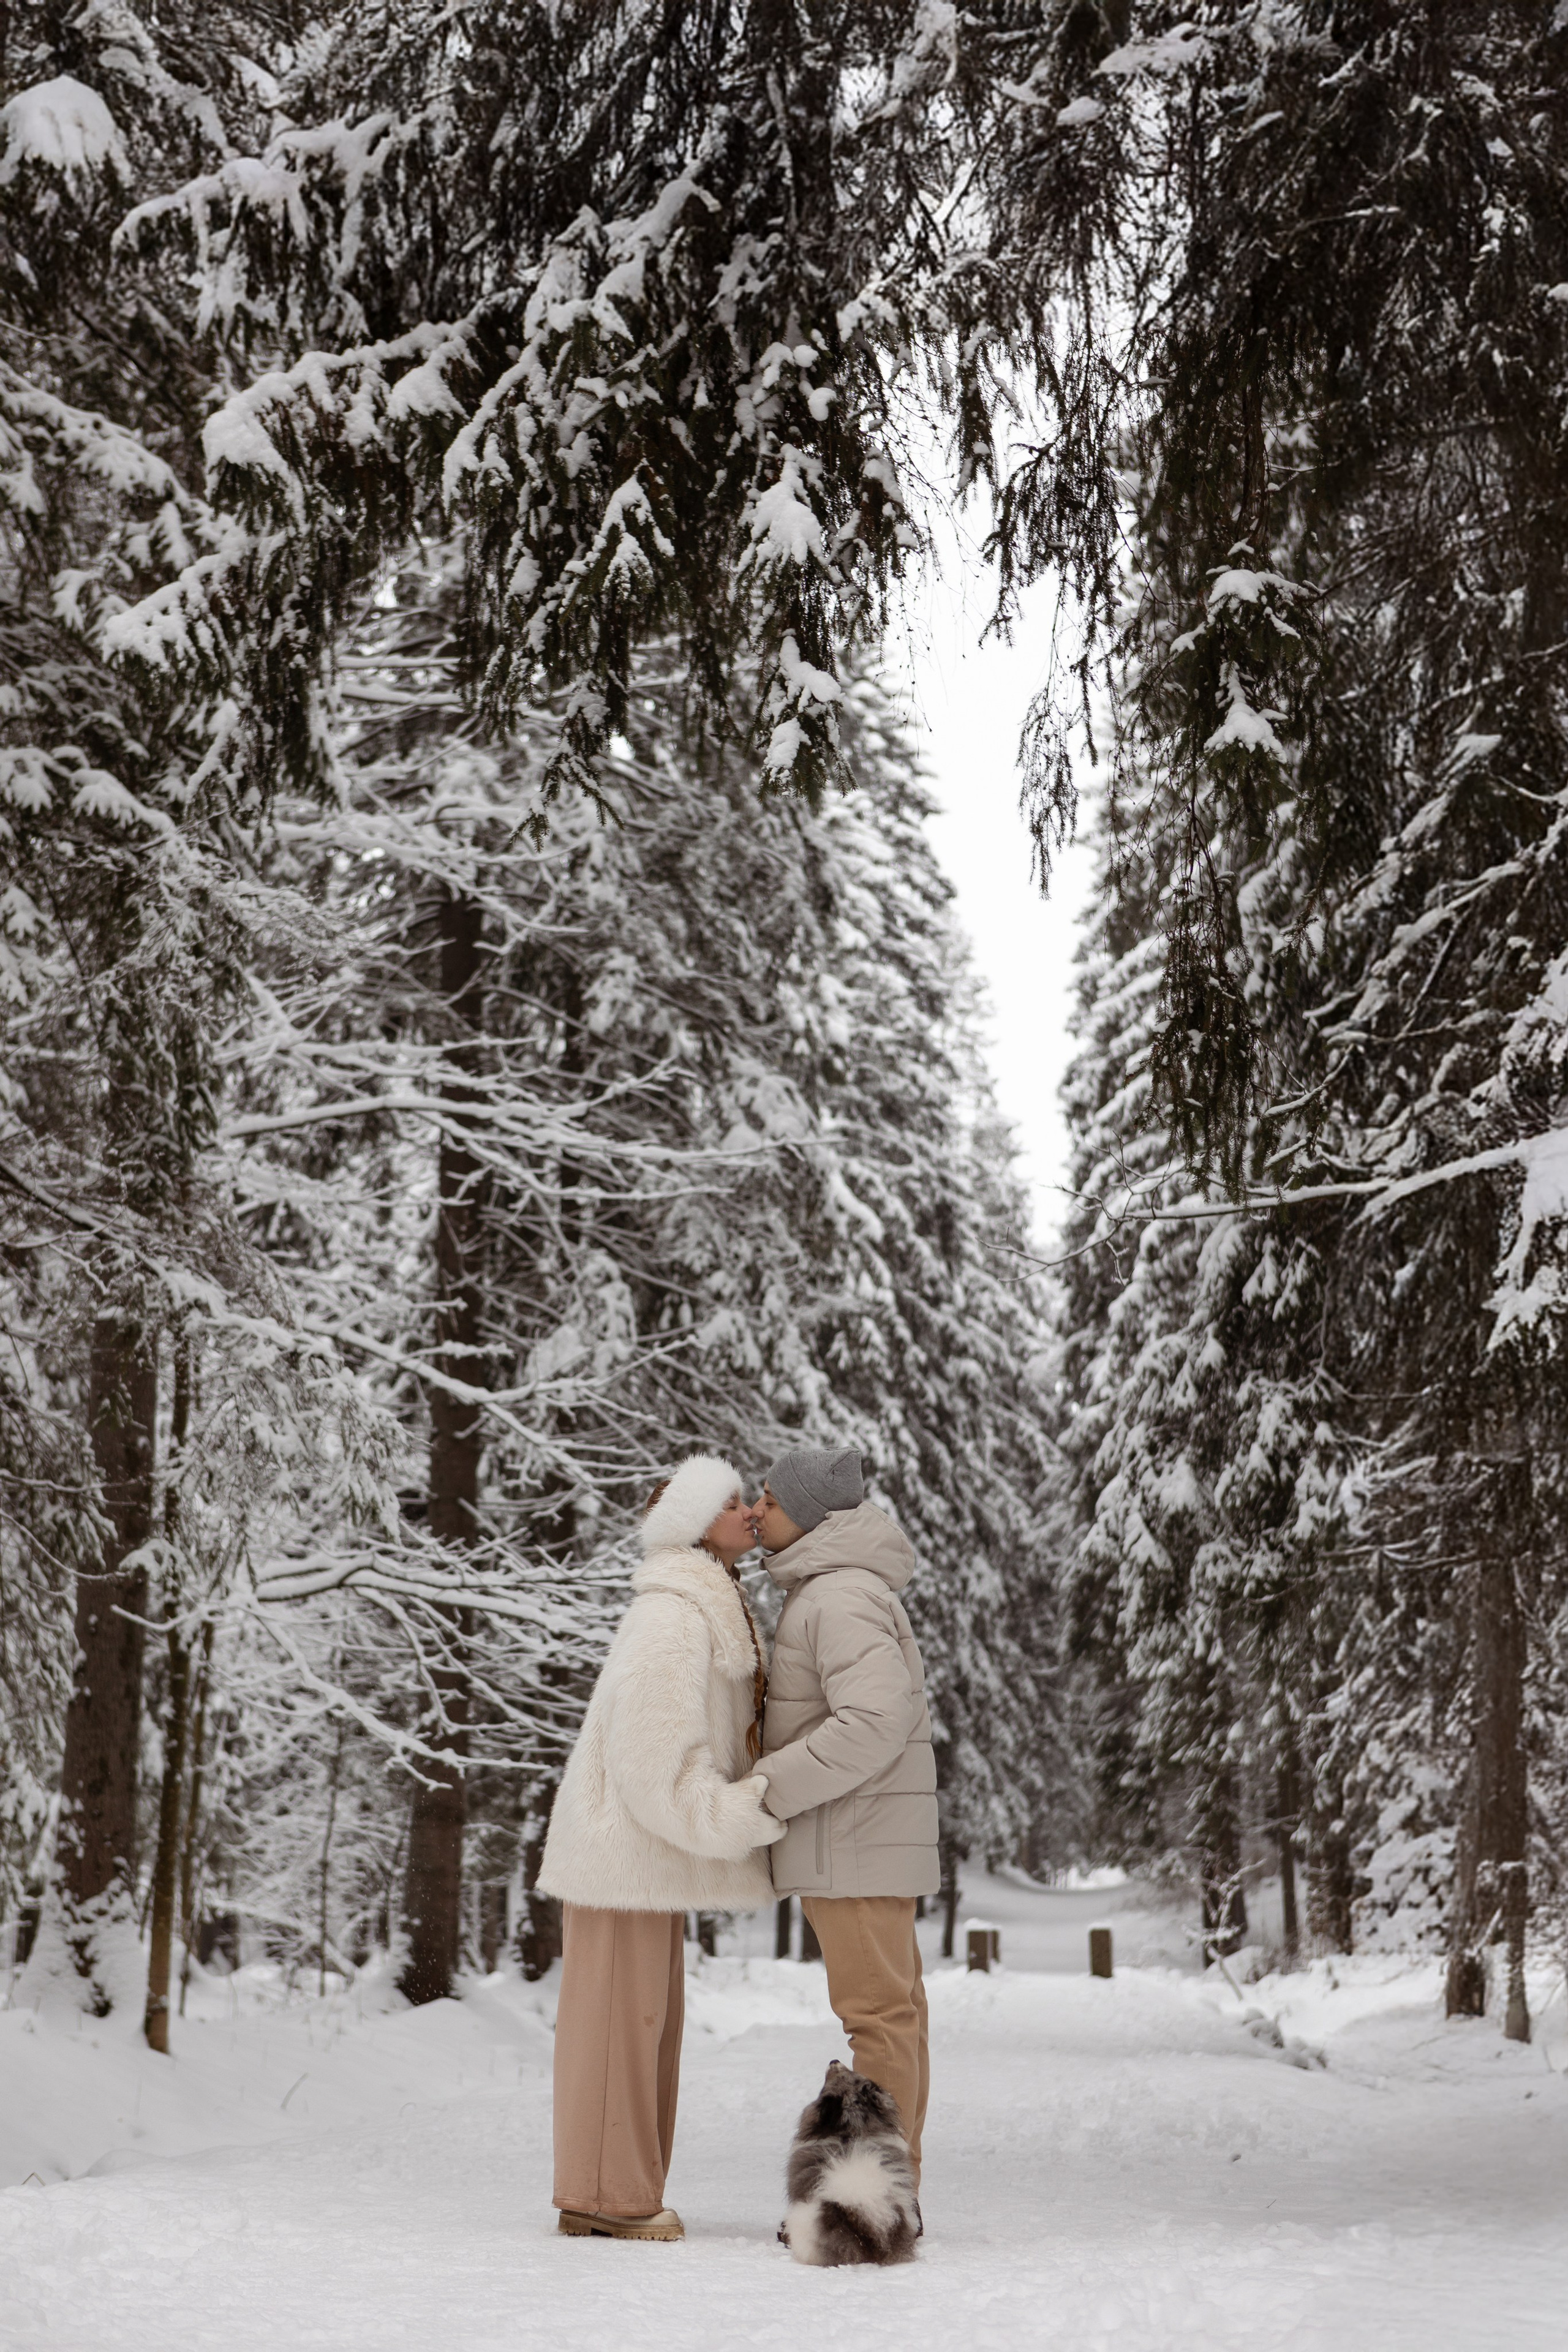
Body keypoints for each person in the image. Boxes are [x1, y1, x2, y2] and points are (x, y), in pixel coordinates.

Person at [538, 1453, 783, 2241]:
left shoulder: (700, 1602)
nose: (751, 1513)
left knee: (642, 2029)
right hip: (623, 1857)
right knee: (619, 2028)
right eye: (734, 1502)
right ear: (691, 1523)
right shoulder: (674, 1614)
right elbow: (652, 1760)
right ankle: (608, 2198)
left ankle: (610, 2192)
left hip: (642, 1859)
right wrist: (740, 1814)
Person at [750, 1446, 939, 2189]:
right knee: (894, 2015)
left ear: (809, 1515)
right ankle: (892, 2186)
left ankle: (882, 2196)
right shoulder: (832, 1590)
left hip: (851, 1841)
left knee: (878, 2020)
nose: (756, 1510)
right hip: (859, 1840)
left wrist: (767, 1786)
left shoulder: (835, 1596)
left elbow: (873, 1721)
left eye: (768, 1497)